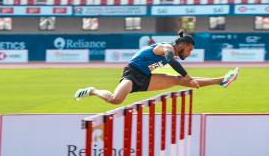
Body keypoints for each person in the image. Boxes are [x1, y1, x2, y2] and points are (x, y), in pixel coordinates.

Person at [74, 30, 239, 104]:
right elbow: (172, 62)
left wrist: (187, 80)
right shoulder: (167, 48)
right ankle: (92, 91)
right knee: (115, 100)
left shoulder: (171, 51)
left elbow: (174, 68)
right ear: (182, 46)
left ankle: (222, 81)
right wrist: (189, 78)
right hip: (132, 73)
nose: (189, 53)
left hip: (146, 76)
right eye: (189, 50)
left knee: (179, 81)